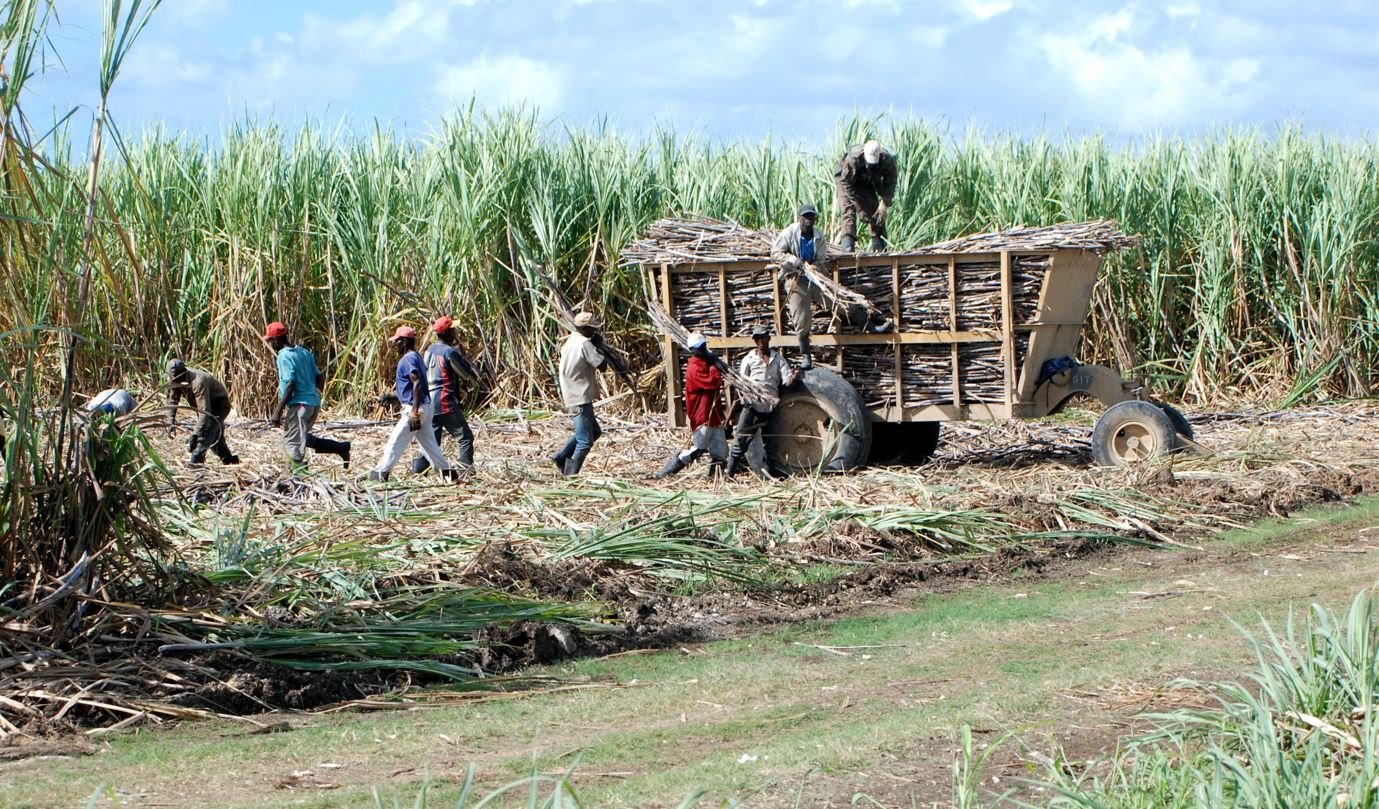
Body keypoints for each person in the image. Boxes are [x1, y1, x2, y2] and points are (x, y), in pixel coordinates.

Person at [771, 204, 891, 370]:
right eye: (805, 217)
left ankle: (871, 327)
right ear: (800, 217)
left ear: (814, 219)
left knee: (842, 303)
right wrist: (793, 261)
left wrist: (816, 270)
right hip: (796, 279)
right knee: (801, 320)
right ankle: (806, 355)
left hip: (815, 278)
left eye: (811, 217)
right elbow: (775, 253)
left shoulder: (818, 236)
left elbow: (820, 260)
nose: (808, 220)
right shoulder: (790, 232)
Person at [368, 326, 454, 482]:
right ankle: (448, 473)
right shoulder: (416, 357)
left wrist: (414, 413)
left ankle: (380, 474)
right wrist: (393, 397)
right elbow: (412, 387)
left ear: (405, 342)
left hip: (416, 409)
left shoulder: (407, 359)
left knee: (395, 443)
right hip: (425, 408)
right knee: (430, 447)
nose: (395, 345)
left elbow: (417, 384)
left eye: (397, 342)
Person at [265, 321, 350, 471]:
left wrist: (277, 412)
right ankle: (340, 448)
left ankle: (300, 477)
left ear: (276, 340)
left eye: (271, 341)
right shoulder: (304, 352)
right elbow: (319, 378)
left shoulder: (283, 356)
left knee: (293, 443)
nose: (271, 345)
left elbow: (290, 384)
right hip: (313, 403)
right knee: (301, 437)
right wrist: (311, 392)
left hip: (300, 404)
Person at [726, 326, 798, 479]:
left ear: (768, 338)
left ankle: (769, 476)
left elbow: (786, 381)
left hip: (771, 408)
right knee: (741, 441)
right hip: (753, 407)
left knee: (771, 444)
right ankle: (729, 474)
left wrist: (792, 377)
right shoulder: (749, 360)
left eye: (763, 337)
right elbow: (740, 383)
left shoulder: (778, 360)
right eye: (757, 338)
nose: (760, 341)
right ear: (754, 341)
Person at [653, 332, 727, 479]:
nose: (702, 350)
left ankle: (714, 480)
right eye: (699, 348)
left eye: (704, 346)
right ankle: (667, 472)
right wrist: (714, 366)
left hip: (714, 416)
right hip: (703, 416)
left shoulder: (706, 363)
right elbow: (714, 382)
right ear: (692, 350)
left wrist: (712, 363)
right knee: (697, 450)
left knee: (721, 452)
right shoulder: (694, 369)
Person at [411, 316, 476, 475]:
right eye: (452, 330)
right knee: (465, 437)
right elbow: (465, 374)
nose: (455, 332)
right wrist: (462, 357)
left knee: (432, 442)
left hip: (430, 402)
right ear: (446, 333)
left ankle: (418, 471)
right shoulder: (449, 352)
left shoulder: (429, 351)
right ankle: (464, 471)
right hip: (444, 400)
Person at [551, 311, 611, 476]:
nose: (594, 332)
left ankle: (561, 456)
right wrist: (599, 346)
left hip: (572, 393)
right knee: (585, 441)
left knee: (594, 432)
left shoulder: (570, 341)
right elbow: (602, 366)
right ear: (585, 328)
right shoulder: (584, 344)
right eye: (592, 329)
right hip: (580, 396)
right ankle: (571, 474)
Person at [166, 359, 239, 465]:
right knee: (216, 439)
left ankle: (196, 463)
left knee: (205, 436)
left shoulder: (198, 382)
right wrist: (170, 422)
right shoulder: (176, 381)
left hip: (219, 405)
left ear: (181, 375)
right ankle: (230, 461)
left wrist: (196, 434)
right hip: (205, 407)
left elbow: (205, 412)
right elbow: (172, 401)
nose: (171, 380)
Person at [834, 139, 897, 253]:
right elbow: (847, 186)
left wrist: (884, 204)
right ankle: (848, 250)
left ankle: (879, 248)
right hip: (845, 180)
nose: (870, 165)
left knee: (875, 213)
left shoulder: (887, 160)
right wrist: (860, 209)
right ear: (864, 155)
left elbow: (891, 181)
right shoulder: (853, 160)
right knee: (848, 212)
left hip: (866, 181)